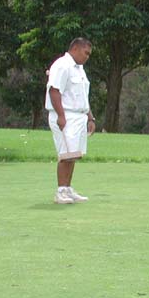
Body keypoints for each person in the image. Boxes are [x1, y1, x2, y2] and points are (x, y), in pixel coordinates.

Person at [45, 38, 96, 204]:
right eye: (85, 53)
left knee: (74, 154)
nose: (87, 57)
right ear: (75, 48)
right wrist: (60, 115)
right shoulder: (62, 65)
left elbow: (82, 96)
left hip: (79, 115)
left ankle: (67, 188)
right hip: (65, 114)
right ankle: (60, 191)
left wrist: (90, 117)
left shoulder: (80, 70)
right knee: (66, 154)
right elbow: (54, 90)